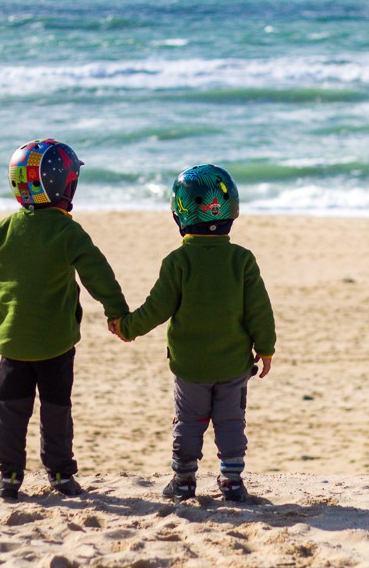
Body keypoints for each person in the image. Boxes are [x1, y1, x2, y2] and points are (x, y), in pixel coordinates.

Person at [109, 164, 275, 503]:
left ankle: (183, 480)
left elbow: (157, 308)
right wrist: (266, 348)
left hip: (190, 367)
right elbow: (259, 308)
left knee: (188, 421)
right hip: (233, 366)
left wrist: (127, 328)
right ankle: (231, 482)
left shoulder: (178, 261)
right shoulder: (242, 260)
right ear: (233, 211)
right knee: (230, 422)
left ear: (178, 214)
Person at [0, 138, 128, 500]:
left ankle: (9, 475)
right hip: (57, 345)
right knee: (56, 411)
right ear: (65, 185)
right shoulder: (67, 232)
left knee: (9, 411)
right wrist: (117, 312)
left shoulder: (4, 230)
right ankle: (60, 473)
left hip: (13, 344)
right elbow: (98, 275)